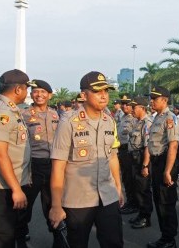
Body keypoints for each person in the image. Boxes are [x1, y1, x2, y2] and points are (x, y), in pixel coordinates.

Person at [48, 71, 124, 248]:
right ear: (84, 95)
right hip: (78, 199)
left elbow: (112, 156)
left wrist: (119, 188)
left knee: (114, 242)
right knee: (76, 243)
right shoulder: (69, 122)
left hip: (107, 195)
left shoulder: (109, 121)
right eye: (98, 91)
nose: (104, 95)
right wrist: (56, 206)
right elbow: (58, 166)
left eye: (106, 91)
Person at [0, 69, 32, 247]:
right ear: (18, 90)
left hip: (10, 183)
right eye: (27, 88)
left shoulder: (12, 111)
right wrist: (16, 189)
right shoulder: (1, 113)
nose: (28, 92)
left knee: (9, 235)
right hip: (2, 187)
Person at [18, 79, 62, 247]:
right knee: (24, 205)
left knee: (52, 204)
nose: (39, 95)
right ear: (31, 95)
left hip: (53, 166)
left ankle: (58, 239)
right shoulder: (24, 115)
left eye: (43, 92)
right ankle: (21, 238)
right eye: (36, 92)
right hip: (32, 165)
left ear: (49, 95)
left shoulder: (56, 115)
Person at [146, 86, 179, 248]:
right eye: (151, 98)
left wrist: (167, 171)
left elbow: (173, 145)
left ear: (165, 100)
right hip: (156, 163)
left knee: (166, 203)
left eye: (155, 98)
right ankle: (165, 237)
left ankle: (170, 239)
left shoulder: (169, 118)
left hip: (166, 163)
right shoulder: (157, 117)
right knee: (159, 201)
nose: (151, 101)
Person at [128, 96, 154, 229]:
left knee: (143, 190)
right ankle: (140, 213)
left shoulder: (147, 123)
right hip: (135, 159)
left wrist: (145, 165)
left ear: (142, 108)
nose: (132, 110)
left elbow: (147, 146)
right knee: (137, 189)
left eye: (134, 107)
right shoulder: (138, 122)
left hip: (142, 160)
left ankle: (145, 217)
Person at [117, 95, 138, 215]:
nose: (124, 106)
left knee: (130, 178)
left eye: (127, 104)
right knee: (125, 178)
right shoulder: (122, 117)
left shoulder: (133, 118)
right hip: (122, 150)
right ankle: (130, 202)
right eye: (123, 103)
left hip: (129, 150)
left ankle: (134, 203)